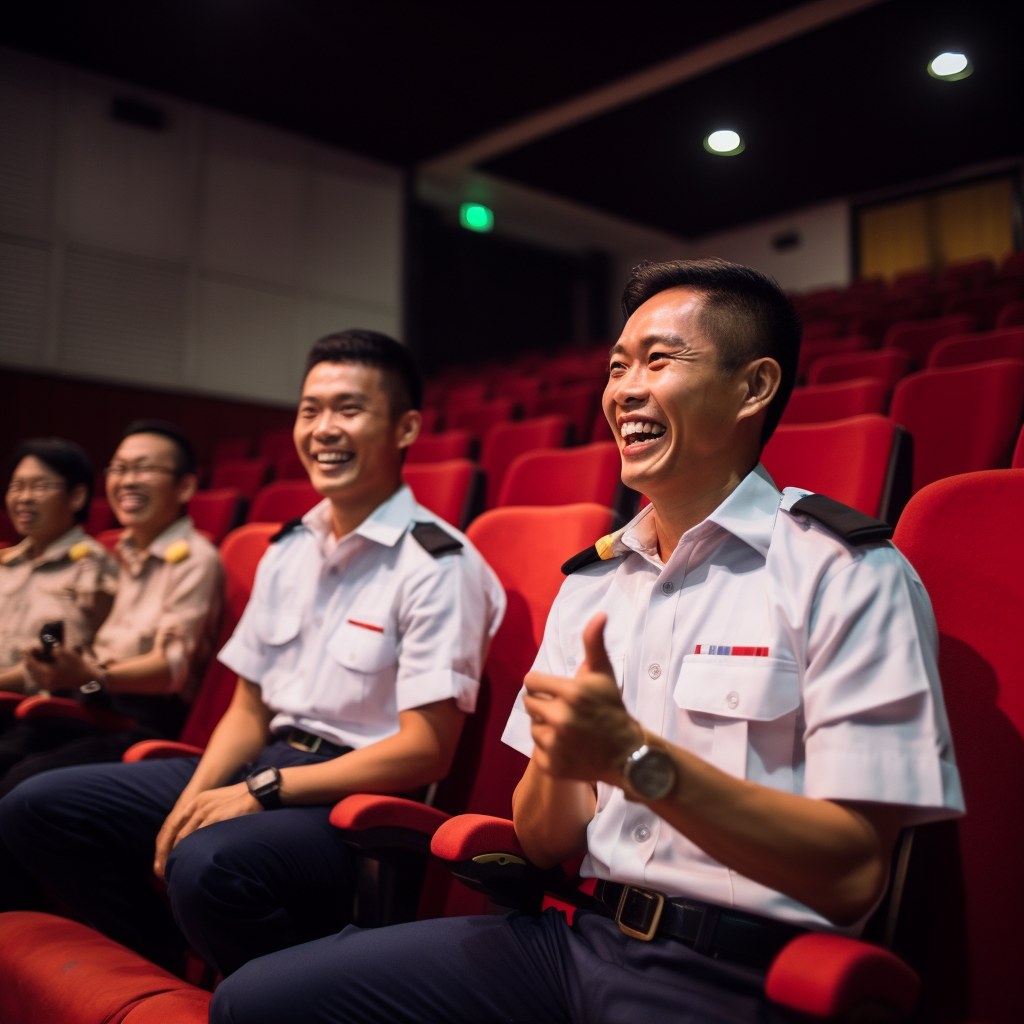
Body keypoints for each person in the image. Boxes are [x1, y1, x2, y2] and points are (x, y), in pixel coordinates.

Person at [206, 260, 964, 1024]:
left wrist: (635, 763)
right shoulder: (594, 583)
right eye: (616, 367)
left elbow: (854, 871)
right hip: (574, 941)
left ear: (754, 387)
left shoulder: (847, 571)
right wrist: (566, 763)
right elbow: (541, 840)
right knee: (253, 1002)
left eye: (659, 361)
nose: (623, 390)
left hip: (738, 976)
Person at [0, 330, 505, 979]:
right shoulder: (290, 546)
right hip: (263, 765)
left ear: (404, 427)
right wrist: (205, 788)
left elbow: (423, 752)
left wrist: (262, 791)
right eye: (309, 410)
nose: (323, 429)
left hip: (345, 794)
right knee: (34, 808)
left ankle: (279, 994)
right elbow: (247, 704)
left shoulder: (438, 562)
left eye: (348, 409)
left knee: (209, 863)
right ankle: (164, 970)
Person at [0, 420, 223, 796]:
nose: (127, 480)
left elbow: (172, 669)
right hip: (91, 704)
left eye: (144, 469)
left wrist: (90, 674)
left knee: (21, 787)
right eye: (119, 469)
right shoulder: (122, 555)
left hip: (139, 719)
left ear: (185, 486)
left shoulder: (194, 559)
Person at [0, 439, 119, 774]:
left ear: (77, 497)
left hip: (41, 716)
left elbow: (58, 667)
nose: (23, 497)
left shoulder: (91, 567)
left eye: (39, 486)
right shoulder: (6, 562)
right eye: (16, 486)